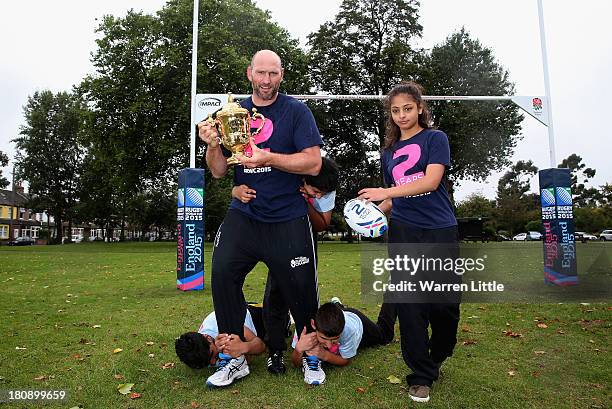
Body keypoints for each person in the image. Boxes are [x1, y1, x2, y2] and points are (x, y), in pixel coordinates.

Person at [198, 49, 324, 386]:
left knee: (302, 292)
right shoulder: (230, 112)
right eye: (261, 73)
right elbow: (220, 171)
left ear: (281, 75)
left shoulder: (296, 112)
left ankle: (311, 355)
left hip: (288, 217)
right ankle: (233, 356)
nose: (266, 80)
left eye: (273, 74)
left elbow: (313, 163)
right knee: (223, 274)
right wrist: (211, 145)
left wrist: (269, 157)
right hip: (245, 214)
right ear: (249, 73)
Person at [358, 81, 460, 403]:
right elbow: (393, 200)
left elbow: (430, 181)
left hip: (439, 229)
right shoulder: (388, 152)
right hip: (403, 231)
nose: (402, 116)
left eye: (407, 109)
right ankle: (420, 374)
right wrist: (369, 215)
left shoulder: (435, 138)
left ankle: (438, 354)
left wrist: (386, 193)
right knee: (410, 305)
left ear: (419, 108)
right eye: (395, 110)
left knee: (445, 306)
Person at [231, 156, 339, 379]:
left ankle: (309, 352)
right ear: (302, 178)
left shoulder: (325, 185)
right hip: (277, 233)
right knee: (277, 290)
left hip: (304, 236)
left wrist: (303, 202)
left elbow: (323, 224)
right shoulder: (285, 175)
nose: (319, 195)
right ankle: (275, 349)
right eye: (315, 190)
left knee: (304, 288)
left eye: (322, 194)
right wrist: (235, 191)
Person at [290, 299, 397, 383]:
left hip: (358, 322)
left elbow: (346, 360)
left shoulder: (350, 331)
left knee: (385, 336)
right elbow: (295, 364)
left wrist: (325, 355)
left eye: (334, 339)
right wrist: (298, 349)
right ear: (313, 324)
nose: (328, 345)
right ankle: (337, 305)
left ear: (342, 331)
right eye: (323, 338)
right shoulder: (305, 329)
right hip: (339, 314)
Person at [174, 304, 267, 387]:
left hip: (257, 314)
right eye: (208, 363)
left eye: (212, 356)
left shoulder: (226, 327)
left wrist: (245, 347)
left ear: (208, 338)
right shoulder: (197, 345)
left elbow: (261, 346)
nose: (214, 362)